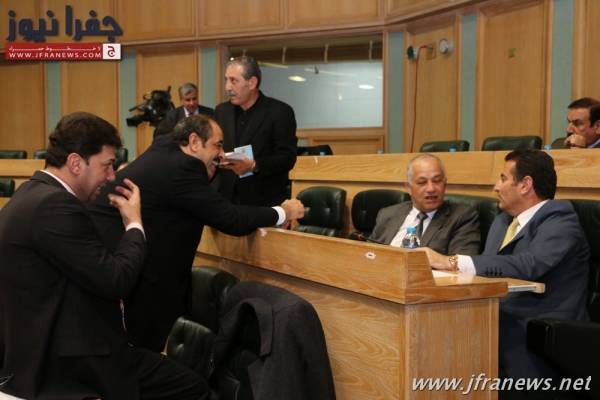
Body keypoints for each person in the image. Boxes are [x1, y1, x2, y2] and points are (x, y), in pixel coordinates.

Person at [0, 112, 211, 399]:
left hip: (48, 350)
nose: (112, 176)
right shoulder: (55, 205)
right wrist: (134, 223)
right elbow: (116, 280)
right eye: (107, 165)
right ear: (76, 163)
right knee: (194, 389)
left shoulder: (30, 194)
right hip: (64, 362)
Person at [89, 114, 304, 352]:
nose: (222, 154)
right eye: (218, 145)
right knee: (140, 357)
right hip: (133, 283)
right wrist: (283, 212)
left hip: (115, 272)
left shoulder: (165, 152)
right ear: (193, 141)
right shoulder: (183, 167)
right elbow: (231, 220)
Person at [425, 149, 589, 382]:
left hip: (539, 332)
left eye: (503, 178)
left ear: (525, 185)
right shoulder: (503, 221)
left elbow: (529, 264)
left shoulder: (560, 219)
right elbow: (489, 271)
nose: (496, 187)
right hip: (495, 318)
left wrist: (451, 261)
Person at [214, 56, 297, 206]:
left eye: (233, 80)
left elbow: (287, 158)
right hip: (226, 201)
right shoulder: (221, 111)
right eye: (226, 80)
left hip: (262, 201)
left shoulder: (279, 112)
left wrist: (254, 165)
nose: (227, 87)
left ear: (252, 83)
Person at [370, 154, 480, 255]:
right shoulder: (388, 214)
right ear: (408, 187)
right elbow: (369, 254)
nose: (431, 189)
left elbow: (463, 262)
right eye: (422, 182)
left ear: (445, 184)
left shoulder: (462, 217)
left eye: (437, 181)